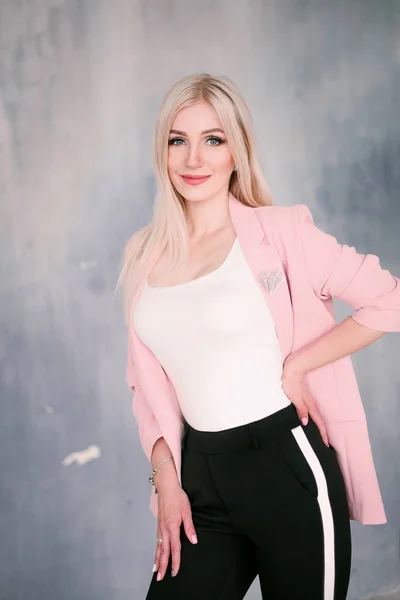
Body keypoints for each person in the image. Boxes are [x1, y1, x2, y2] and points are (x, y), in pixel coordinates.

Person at [117, 73, 400, 600]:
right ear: (163, 151)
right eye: (178, 140)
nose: (193, 159)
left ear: (236, 150)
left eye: (213, 139)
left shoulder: (282, 233)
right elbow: (145, 389)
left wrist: (299, 365)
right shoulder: (144, 253)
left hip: (286, 468)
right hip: (199, 479)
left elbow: (390, 298)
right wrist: (166, 480)